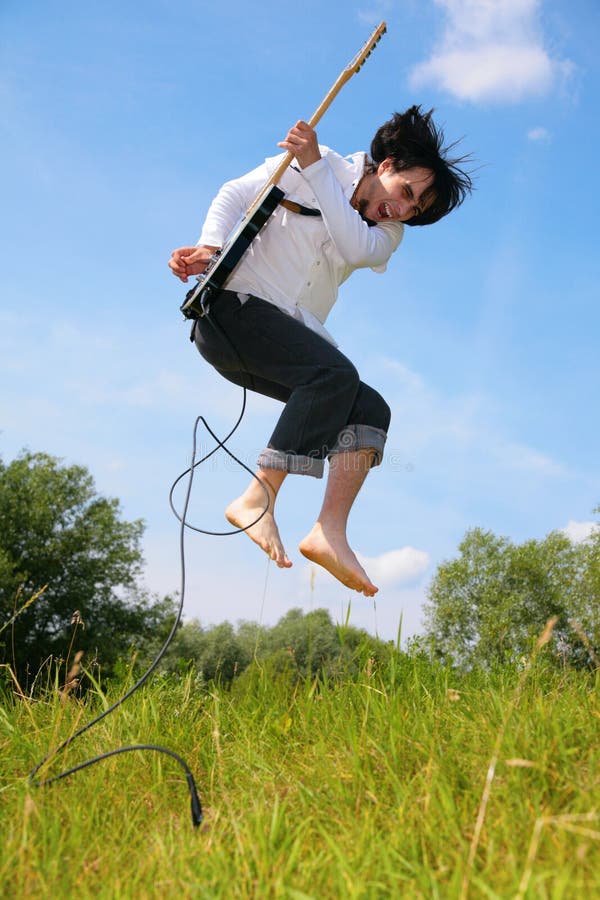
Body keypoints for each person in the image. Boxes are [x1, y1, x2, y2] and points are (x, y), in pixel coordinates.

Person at [168, 106, 472, 597]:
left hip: (279, 337)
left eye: (414, 211)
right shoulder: (323, 163)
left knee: (369, 407)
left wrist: (311, 166)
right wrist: (209, 245)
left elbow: (354, 248)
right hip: (231, 311)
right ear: (387, 165)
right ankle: (257, 499)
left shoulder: (384, 234)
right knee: (333, 375)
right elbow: (235, 193)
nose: (402, 211)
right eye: (407, 194)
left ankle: (329, 530)